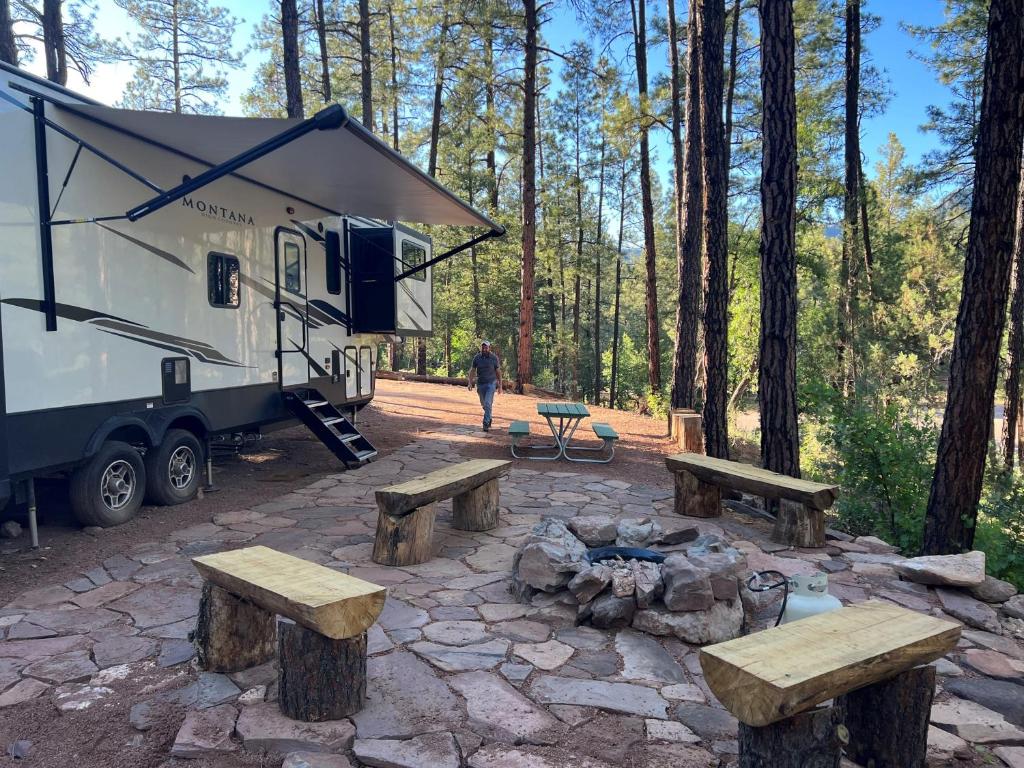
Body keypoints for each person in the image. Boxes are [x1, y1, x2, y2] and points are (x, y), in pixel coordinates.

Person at [468, 340, 503, 431]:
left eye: (486, 347)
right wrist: (470, 382)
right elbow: (472, 370)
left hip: (491, 383)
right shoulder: (477, 358)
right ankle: (489, 416)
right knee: (484, 404)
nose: (484, 349)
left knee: (487, 403)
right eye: (483, 347)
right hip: (480, 384)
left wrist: (500, 386)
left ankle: (486, 423)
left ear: (489, 348)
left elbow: (498, 372)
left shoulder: (494, 358)